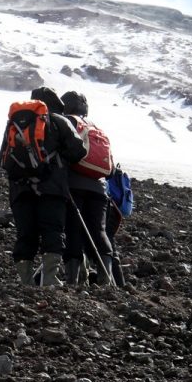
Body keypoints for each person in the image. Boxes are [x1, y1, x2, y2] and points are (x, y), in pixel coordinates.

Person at [2, 86, 85, 287]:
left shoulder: (15, 123)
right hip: (51, 188)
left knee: (25, 233)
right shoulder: (59, 120)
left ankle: (26, 281)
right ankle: (49, 279)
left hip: (20, 188)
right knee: (53, 230)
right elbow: (78, 151)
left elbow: (3, 159)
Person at [60, 90, 115, 286]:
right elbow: (110, 168)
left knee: (73, 229)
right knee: (99, 231)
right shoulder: (96, 127)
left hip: (75, 185)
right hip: (99, 188)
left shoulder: (67, 122)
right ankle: (105, 278)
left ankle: (73, 279)